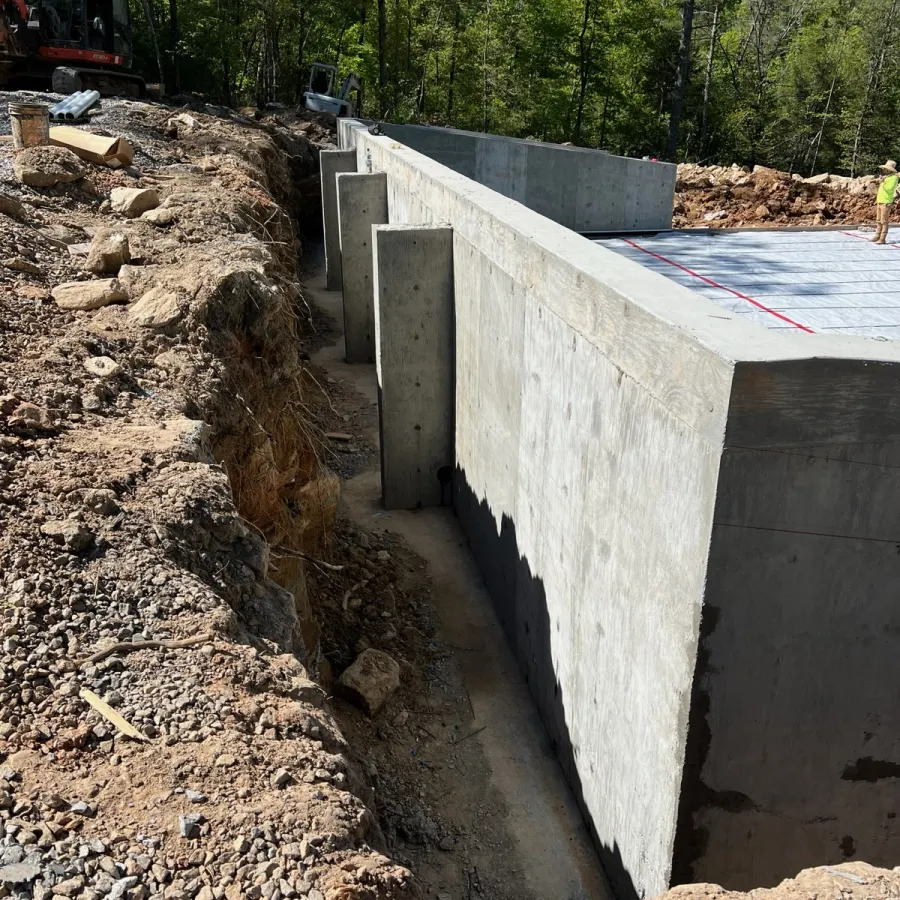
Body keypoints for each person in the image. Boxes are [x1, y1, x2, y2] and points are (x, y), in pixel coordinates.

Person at [873, 159, 899, 244]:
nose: (884, 170)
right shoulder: (887, 177)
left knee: (884, 221)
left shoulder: (894, 178)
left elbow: (889, 189)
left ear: (889, 170)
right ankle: (877, 236)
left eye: (886, 169)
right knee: (878, 220)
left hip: (886, 202)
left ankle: (882, 238)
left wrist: (882, 182)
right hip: (880, 200)